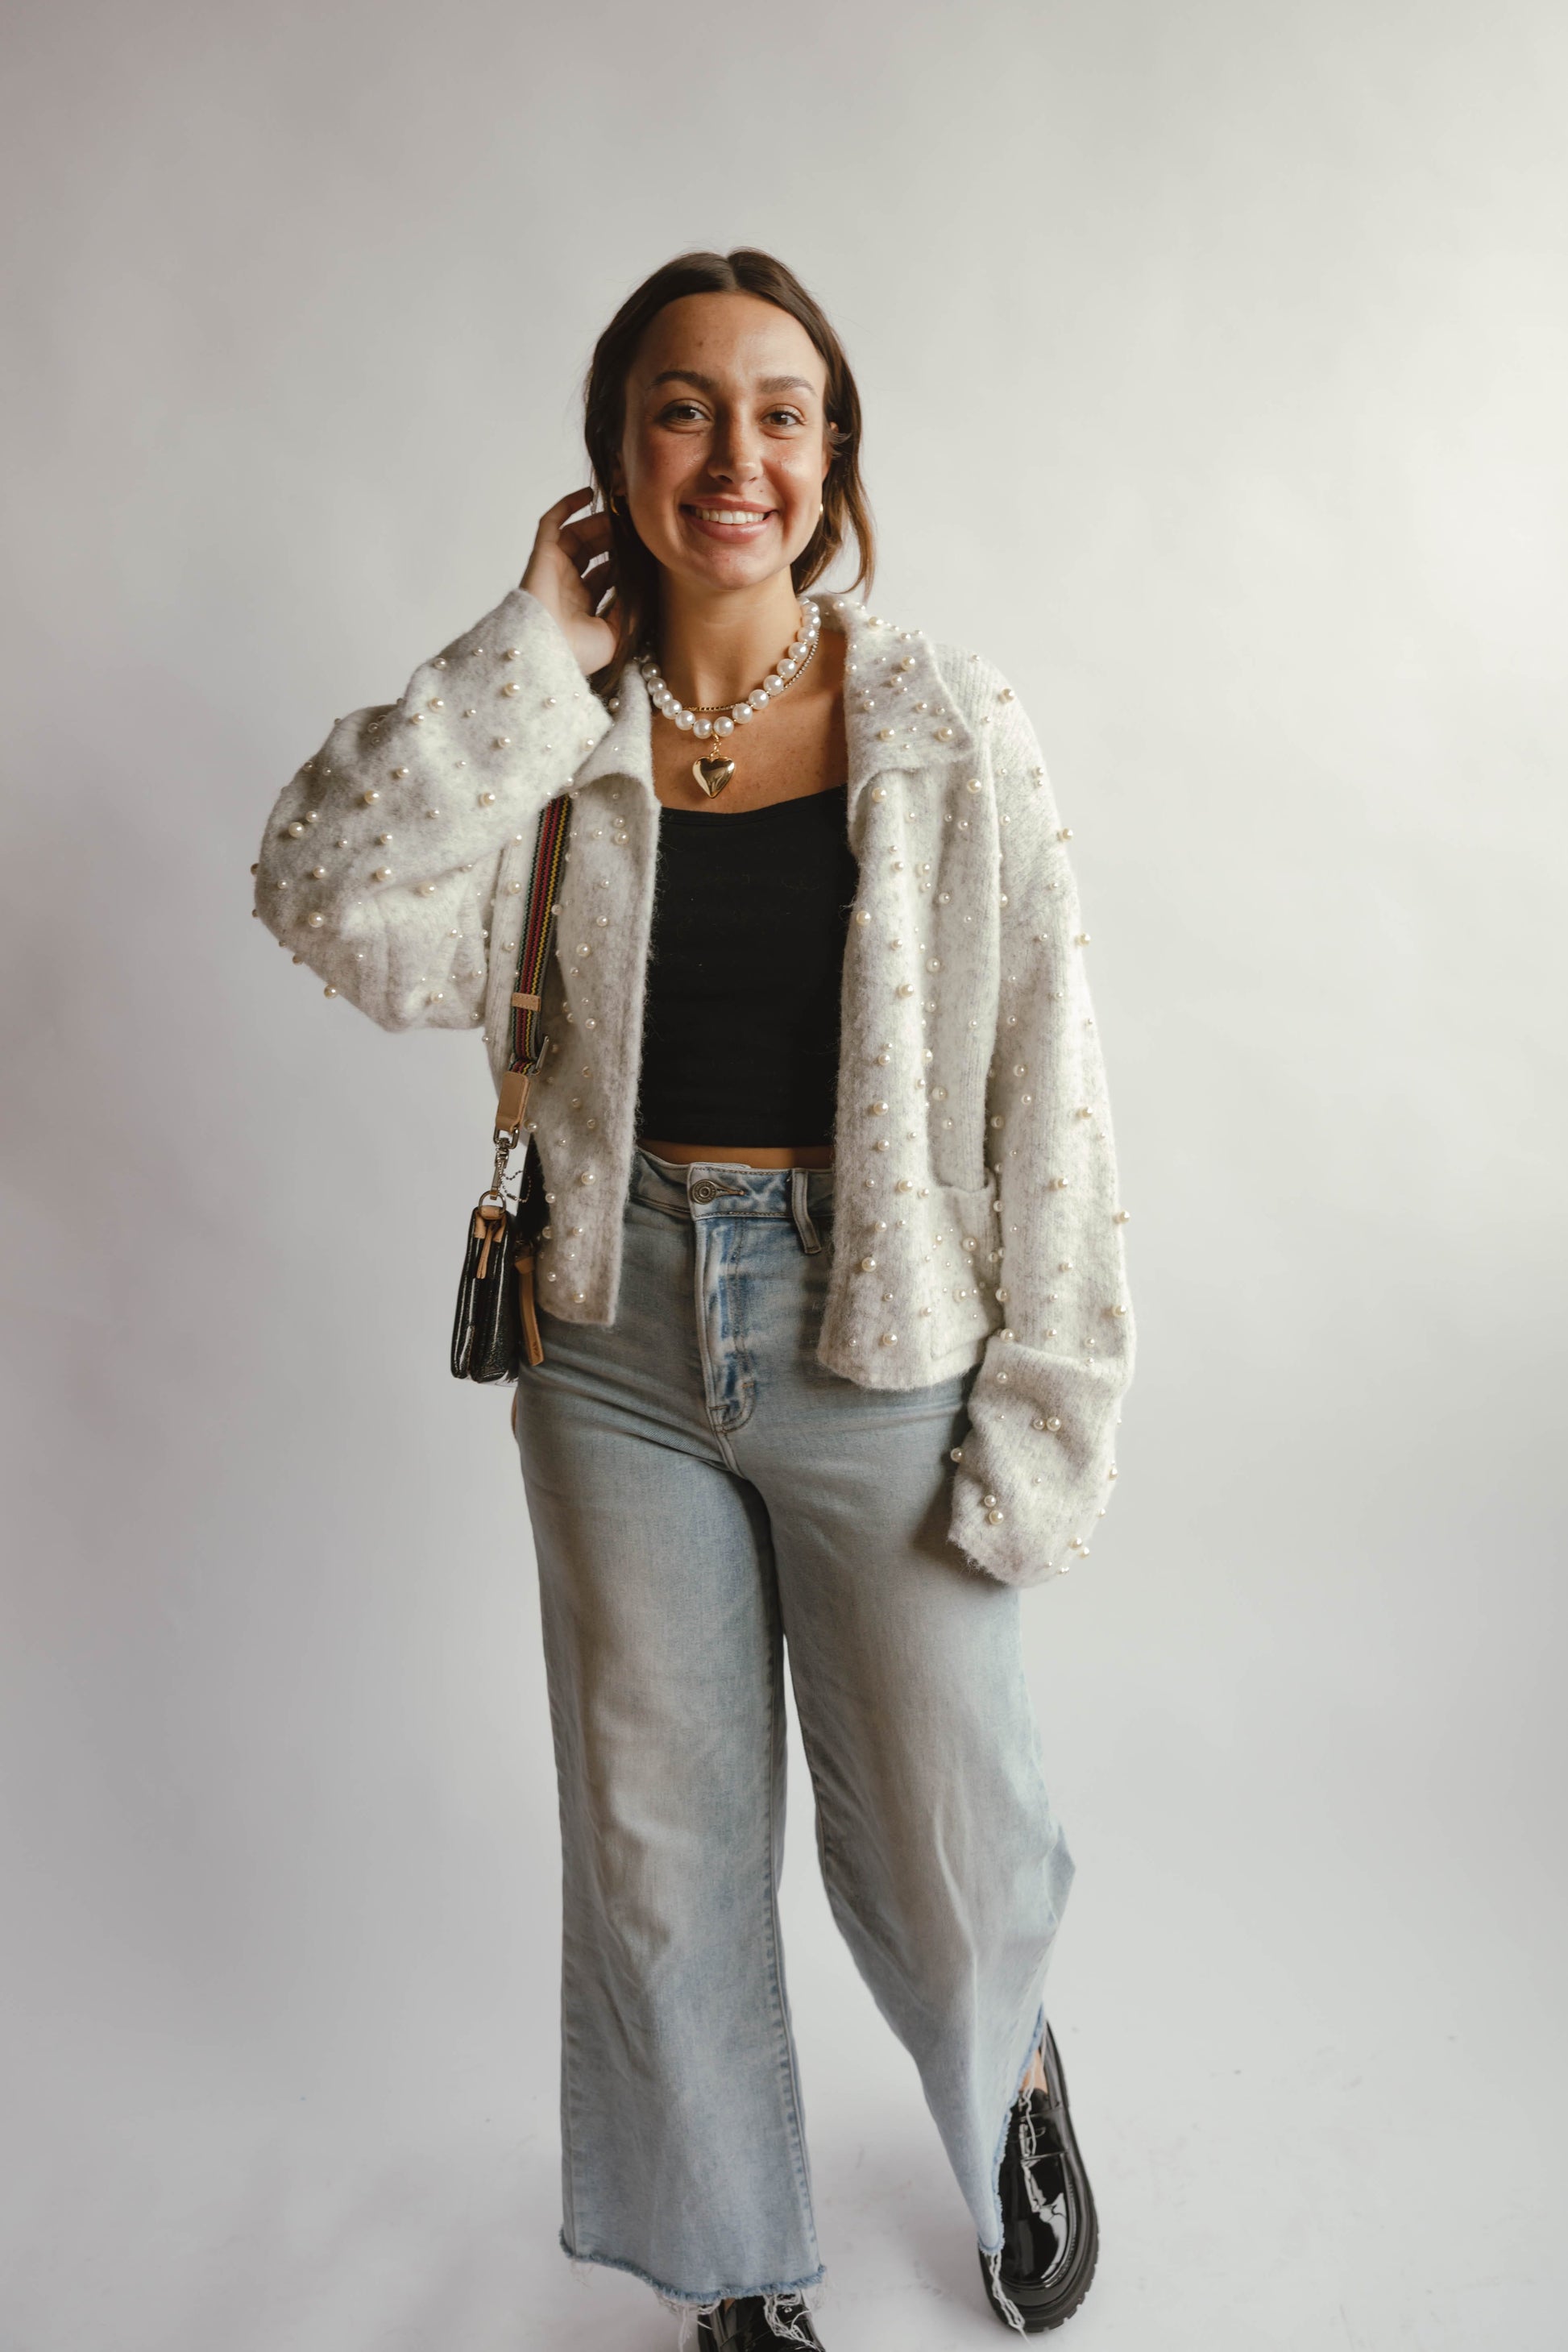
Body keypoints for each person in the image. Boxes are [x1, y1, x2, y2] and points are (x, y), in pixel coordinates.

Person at [254, 248, 1133, 2347]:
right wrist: (525, 652)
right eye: (682, 406)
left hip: (880, 1331)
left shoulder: (944, 725)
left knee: (943, 1841)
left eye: (780, 411)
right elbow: (326, 893)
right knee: (660, 1849)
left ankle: (1004, 2058)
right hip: (613, 1338)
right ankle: (731, 2272)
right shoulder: (552, 740)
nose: (735, 453)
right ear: (612, 457)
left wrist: (1047, 1409)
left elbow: (1051, 1086)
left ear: (833, 460)